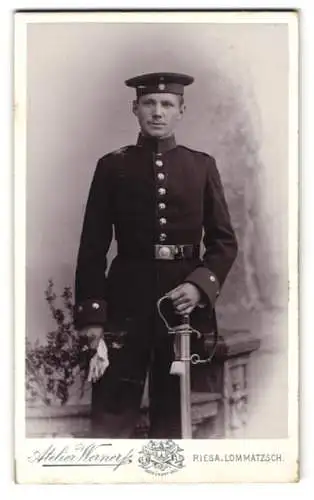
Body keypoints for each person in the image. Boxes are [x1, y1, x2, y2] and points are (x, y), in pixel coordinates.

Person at [74, 72, 238, 438]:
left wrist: (199, 287)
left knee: (175, 415)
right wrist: (93, 314)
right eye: (149, 103)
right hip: (125, 303)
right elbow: (93, 245)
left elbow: (224, 241)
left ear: (181, 110)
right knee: (112, 412)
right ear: (135, 109)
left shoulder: (201, 166)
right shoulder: (112, 166)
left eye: (167, 104)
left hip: (181, 308)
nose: (158, 112)